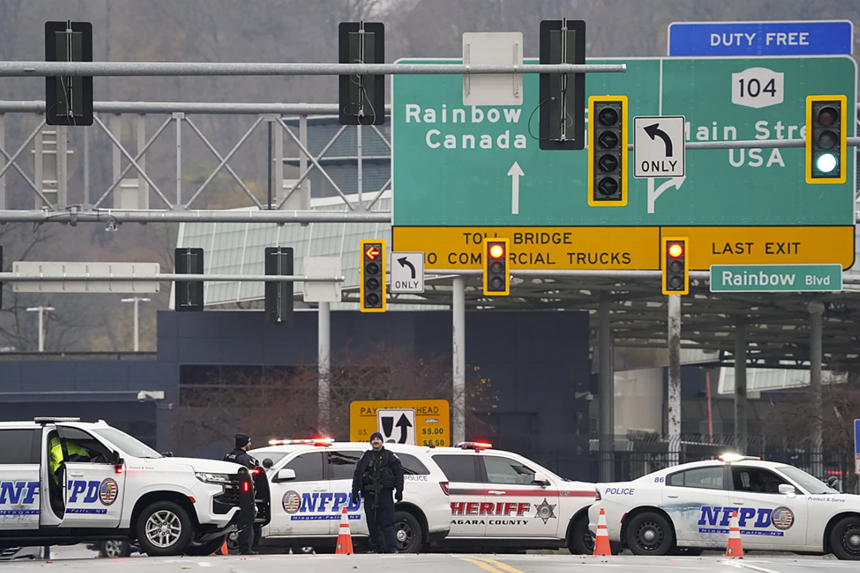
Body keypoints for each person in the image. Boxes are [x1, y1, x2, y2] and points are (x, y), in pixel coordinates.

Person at [351, 432, 404, 554]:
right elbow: (357, 474)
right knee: (372, 522)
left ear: (381, 441)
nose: (375, 441)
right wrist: (355, 491)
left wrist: (399, 489)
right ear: (370, 442)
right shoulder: (366, 457)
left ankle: (392, 548)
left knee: (388, 522)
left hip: (384, 493)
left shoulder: (389, 456)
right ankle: (377, 548)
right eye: (373, 439)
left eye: (378, 439)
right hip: (369, 493)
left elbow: (399, 472)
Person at [224, 433, 258, 555]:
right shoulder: (245, 458)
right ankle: (245, 548)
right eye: (249, 442)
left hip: (229, 492)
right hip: (243, 493)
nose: (250, 444)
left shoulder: (229, 456)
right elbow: (249, 474)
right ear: (244, 443)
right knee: (246, 520)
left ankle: (221, 548)